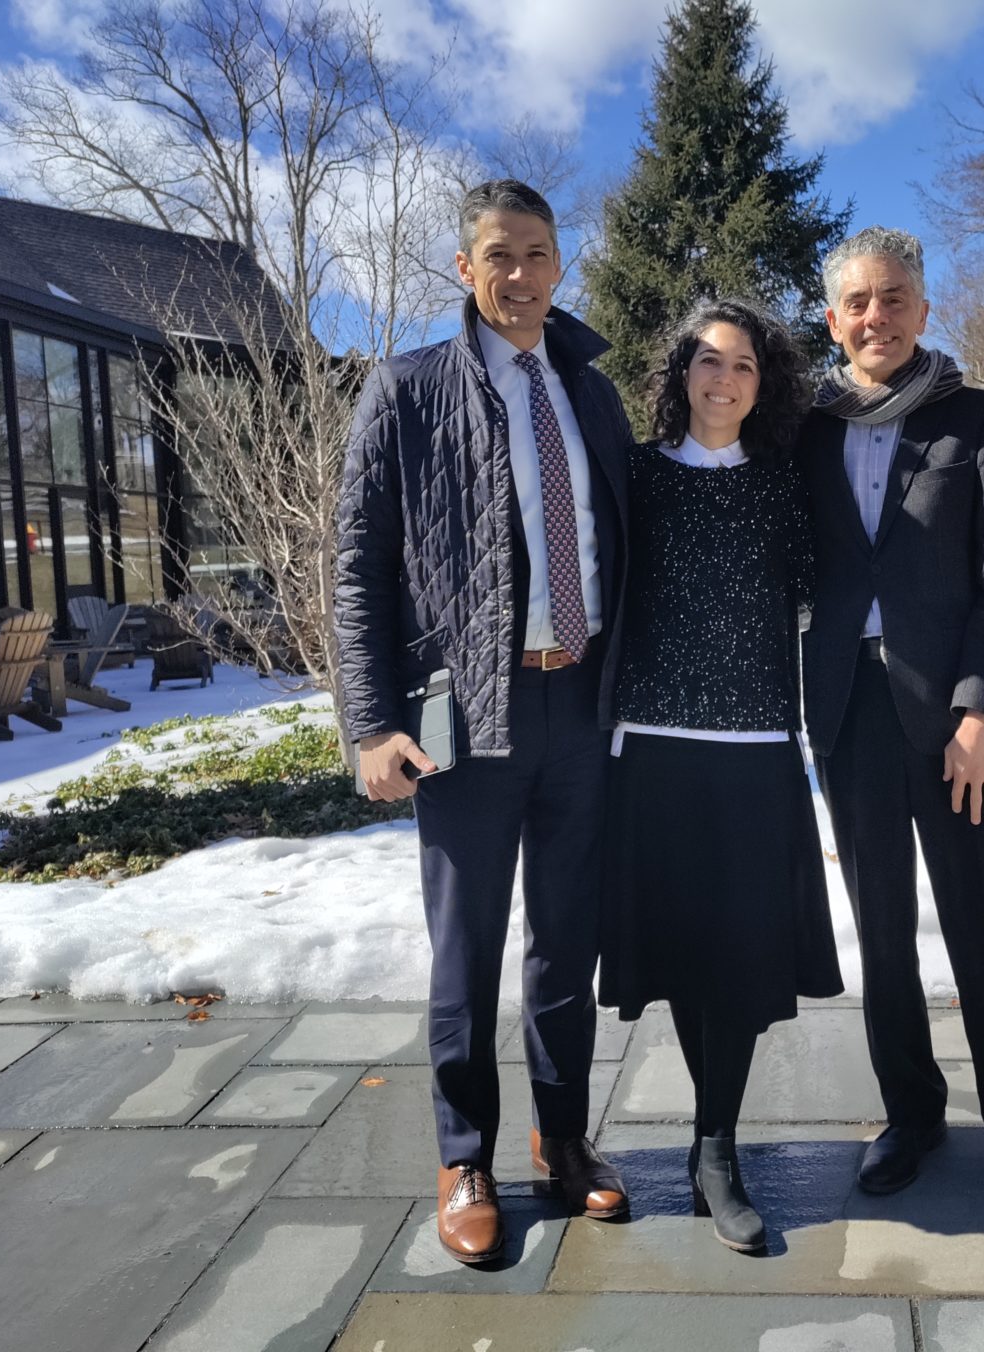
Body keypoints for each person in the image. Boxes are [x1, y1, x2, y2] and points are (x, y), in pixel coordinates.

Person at [334, 179, 632, 1266]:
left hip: (580, 700)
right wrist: (371, 722)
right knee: (467, 949)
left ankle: (562, 1138)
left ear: (562, 264)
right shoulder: (407, 389)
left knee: (567, 943)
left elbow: (618, 542)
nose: (519, 274)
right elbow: (359, 567)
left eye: (538, 253)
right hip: (467, 714)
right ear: (466, 269)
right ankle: (466, 1155)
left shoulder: (591, 393)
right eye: (497, 255)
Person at [797, 226, 984, 1225]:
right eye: (858, 302)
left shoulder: (980, 419)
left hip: (957, 720)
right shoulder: (809, 429)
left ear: (923, 306)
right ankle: (911, 1112)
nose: (877, 316)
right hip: (849, 714)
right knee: (883, 933)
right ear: (835, 319)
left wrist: (981, 707)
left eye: (895, 297)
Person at [598, 297, 842, 1254]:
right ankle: (709, 1145)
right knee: (682, 952)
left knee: (737, 959)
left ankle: (717, 1147)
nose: (724, 379)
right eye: (707, 361)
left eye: (743, 365)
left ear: (763, 382)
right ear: (680, 375)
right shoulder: (637, 478)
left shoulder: (786, 486)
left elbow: (839, 589)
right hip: (652, 751)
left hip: (753, 755)